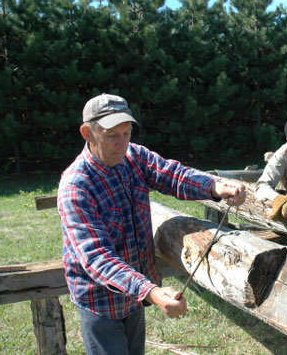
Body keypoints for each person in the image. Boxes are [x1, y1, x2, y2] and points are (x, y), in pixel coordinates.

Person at [57, 94, 246, 355]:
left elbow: (173, 175)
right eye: (113, 135)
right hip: (101, 301)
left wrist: (214, 186)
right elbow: (97, 257)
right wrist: (151, 292)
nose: (122, 142)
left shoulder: (134, 156)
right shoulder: (76, 187)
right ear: (87, 133)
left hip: (136, 296)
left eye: (127, 132)